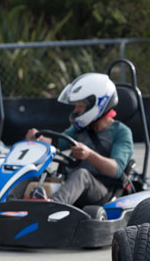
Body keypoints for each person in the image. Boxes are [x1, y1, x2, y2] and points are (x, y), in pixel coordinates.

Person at [25, 72, 133, 206]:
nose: (76, 110)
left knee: (82, 174)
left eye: (80, 105)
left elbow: (115, 170)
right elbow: (57, 143)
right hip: (72, 186)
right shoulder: (80, 128)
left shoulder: (121, 132)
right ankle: (7, 203)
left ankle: (52, 207)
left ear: (97, 104)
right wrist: (38, 139)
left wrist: (89, 155)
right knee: (32, 171)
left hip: (103, 190)